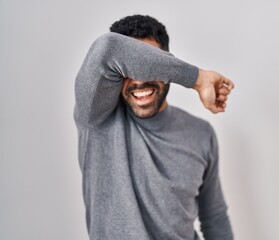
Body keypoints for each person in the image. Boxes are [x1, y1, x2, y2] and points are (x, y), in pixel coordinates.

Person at [74, 15, 234, 240]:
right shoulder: (96, 118)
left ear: (167, 67)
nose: (139, 80)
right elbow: (108, 48)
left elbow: (214, 217)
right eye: (129, 68)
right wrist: (197, 78)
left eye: (150, 66)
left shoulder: (201, 133)